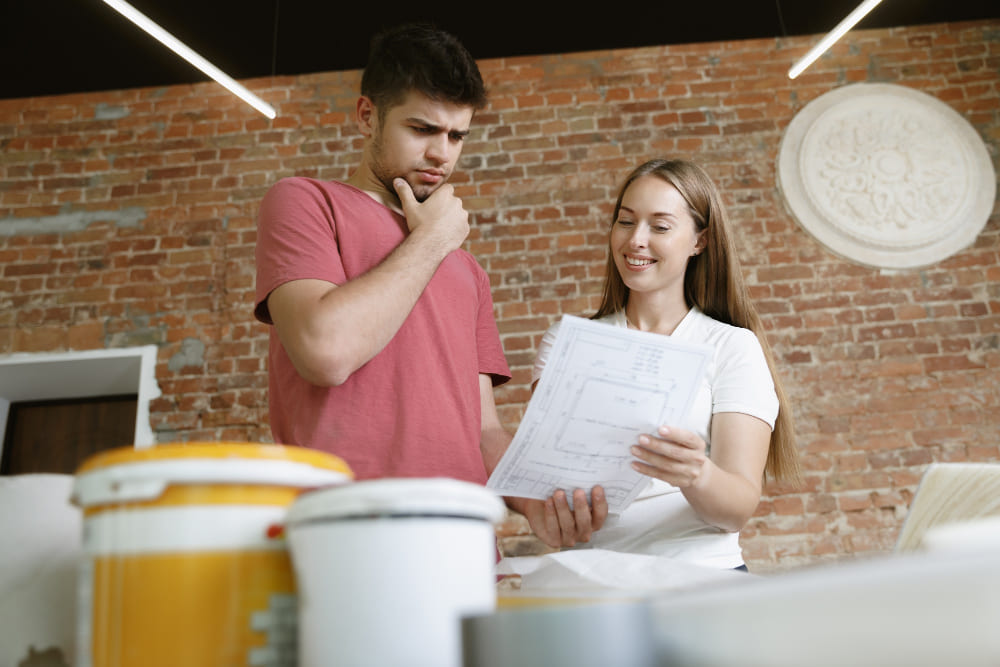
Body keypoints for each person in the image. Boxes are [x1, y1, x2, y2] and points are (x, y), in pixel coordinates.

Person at [253, 22, 604, 545]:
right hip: (348, 533)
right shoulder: (305, 203)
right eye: (422, 130)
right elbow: (325, 351)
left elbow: (482, 430)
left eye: (456, 135)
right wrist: (435, 240)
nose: (442, 154)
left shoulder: (468, 270)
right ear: (367, 116)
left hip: (463, 539)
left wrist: (539, 500)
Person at [527, 158, 801, 569]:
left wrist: (696, 473)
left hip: (699, 575)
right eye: (625, 221)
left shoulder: (731, 347)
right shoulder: (568, 342)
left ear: (700, 241)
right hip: (593, 578)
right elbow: (548, 478)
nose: (636, 240)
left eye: (659, 226)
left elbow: (738, 508)